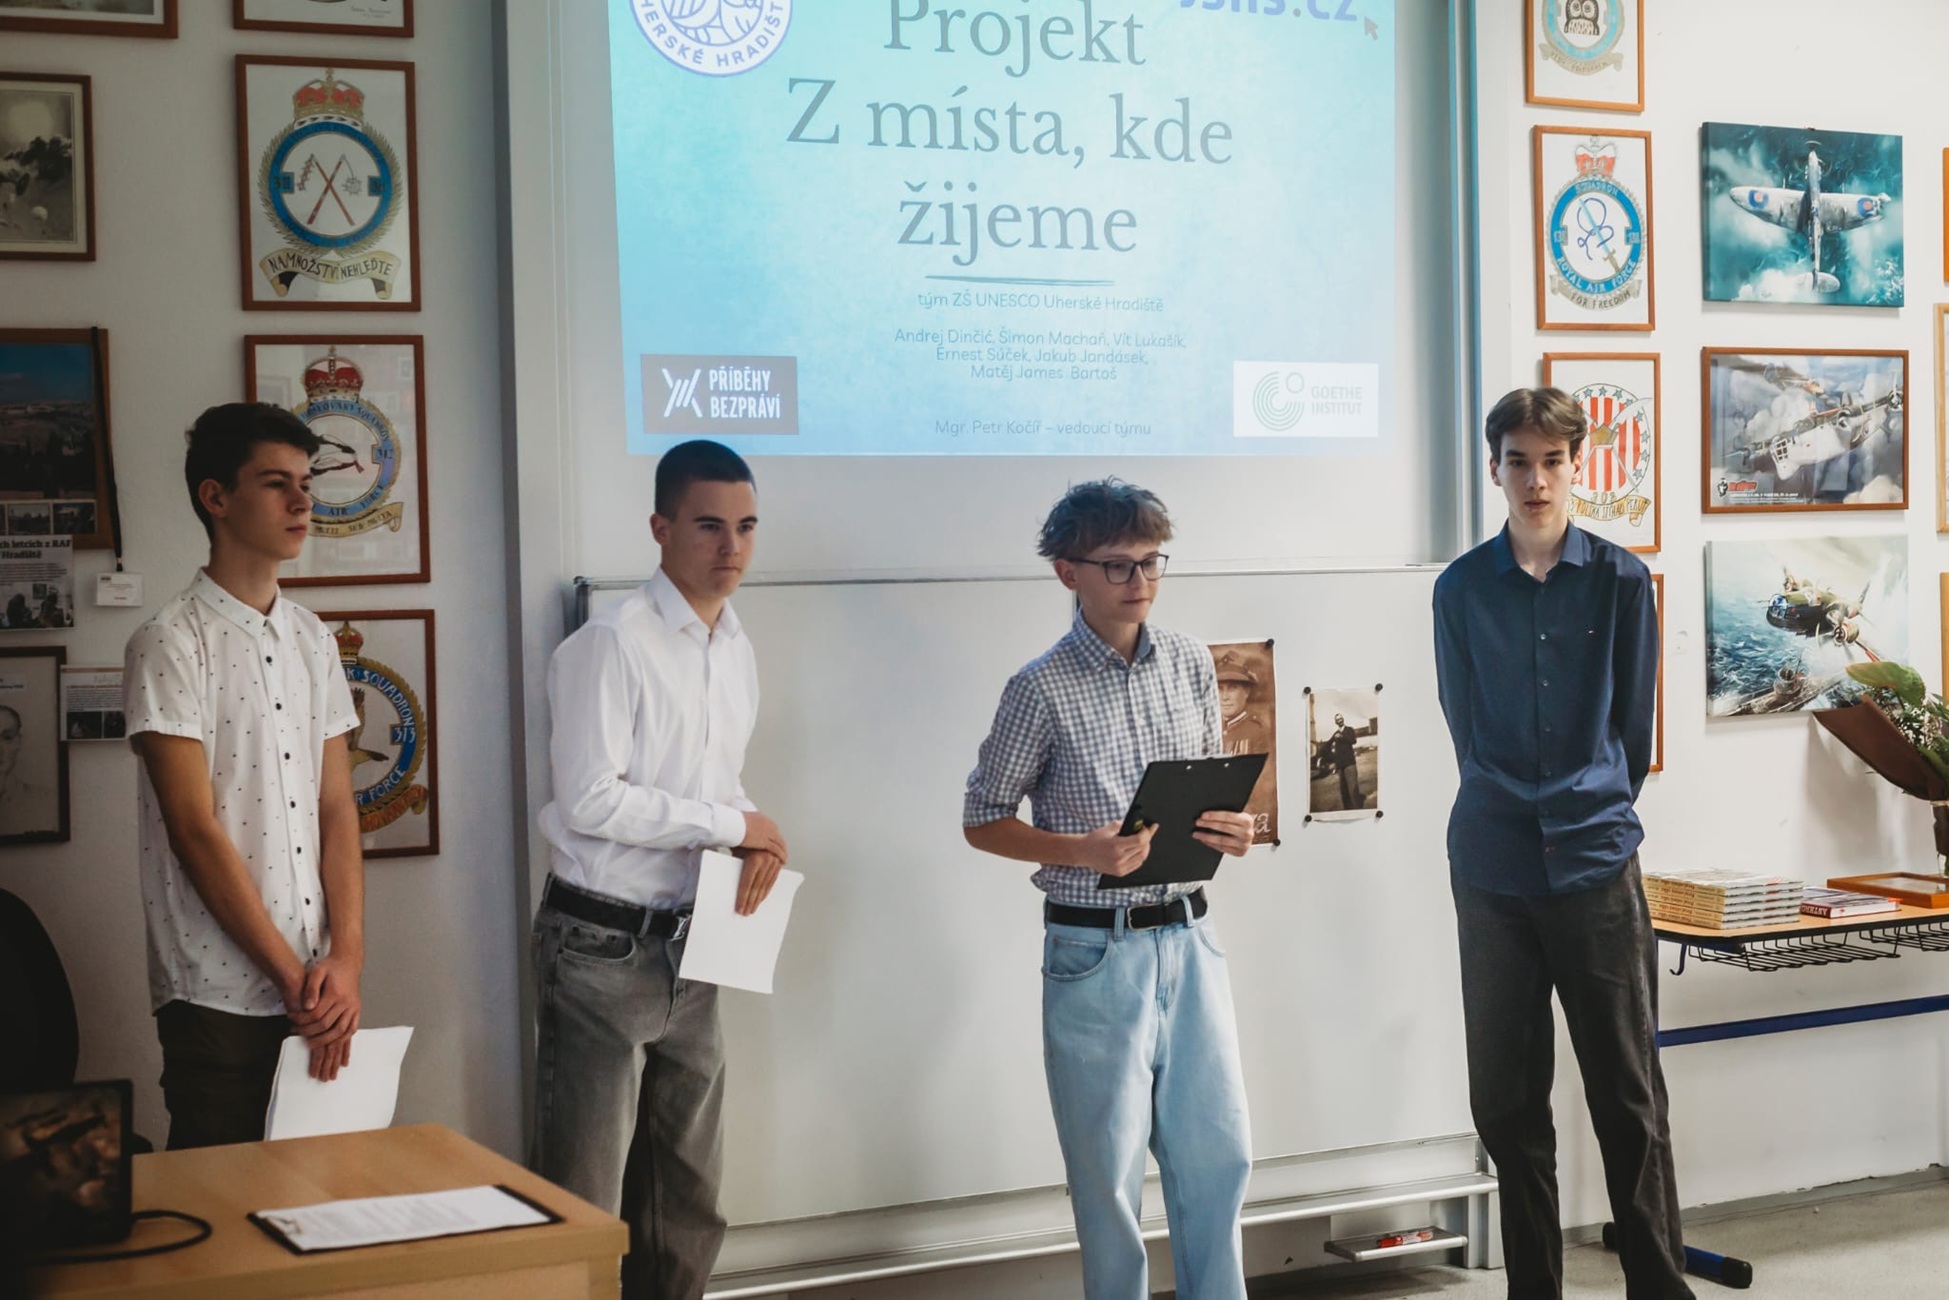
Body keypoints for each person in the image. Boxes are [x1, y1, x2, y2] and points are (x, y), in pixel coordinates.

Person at [963, 479, 1257, 1300]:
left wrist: (1234, 830)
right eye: (1118, 565)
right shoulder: (1038, 687)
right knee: (1107, 1174)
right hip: (1094, 952)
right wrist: (1080, 851)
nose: (1140, 581)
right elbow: (981, 819)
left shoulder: (1191, 662)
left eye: (1151, 561)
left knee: (1219, 1154)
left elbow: (1203, 792)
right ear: (1068, 572)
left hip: (1190, 938)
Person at [1433, 388, 1690, 1300]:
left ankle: (1658, 1287)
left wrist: (1585, 809)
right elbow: (1463, 725)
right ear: (1494, 469)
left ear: (1576, 466)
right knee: (1506, 1105)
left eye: (1550, 461)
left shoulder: (1619, 581)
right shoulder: (1460, 589)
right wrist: (1516, 804)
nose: (1535, 480)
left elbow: (1632, 733)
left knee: (1627, 1094)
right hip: (1492, 871)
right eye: (1518, 461)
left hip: (1593, 864)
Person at [530, 439, 789, 1300]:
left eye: (746, 527)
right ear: (660, 527)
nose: (732, 547)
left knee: (687, 1201)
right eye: (709, 526)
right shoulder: (610, 642)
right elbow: (589, 800)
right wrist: (732, 823)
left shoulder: (734, 646)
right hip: (599, 947)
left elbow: (712, 787)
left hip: (696, 941)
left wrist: (751, 835)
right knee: (585, 1203)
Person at [123, 403, 366, 1150]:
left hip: (320, 983)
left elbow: (336, 807)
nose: (302, 502)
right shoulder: (168, 641)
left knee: (318, 1194)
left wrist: (347, 958)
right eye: (275, 483)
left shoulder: (312, 638)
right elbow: (193, 831)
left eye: (305, 483)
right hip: (215, 994)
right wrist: (292, 979)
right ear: (216, 497)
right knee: (221, 1204)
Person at [1215, 652, 1271, 757]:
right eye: (1219, 689)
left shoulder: (1258, 731)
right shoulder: (1210, 728)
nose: (1225, 697)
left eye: (1232, 688)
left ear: (1246, 692)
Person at [1326, 712, 1363, 811]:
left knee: (1353, 789)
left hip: (1350, 764)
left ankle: (1357, 809)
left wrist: (1342, 737)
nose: (1340, 720)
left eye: (1341, 718)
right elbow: (1328, 744)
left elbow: (1353, 740)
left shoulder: (1349, 730)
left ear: (1343, 719)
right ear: (1335, 722)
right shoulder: (1335, 734)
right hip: (1340, 765)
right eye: (1337, 719)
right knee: (1344, 791)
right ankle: (1347, 810)